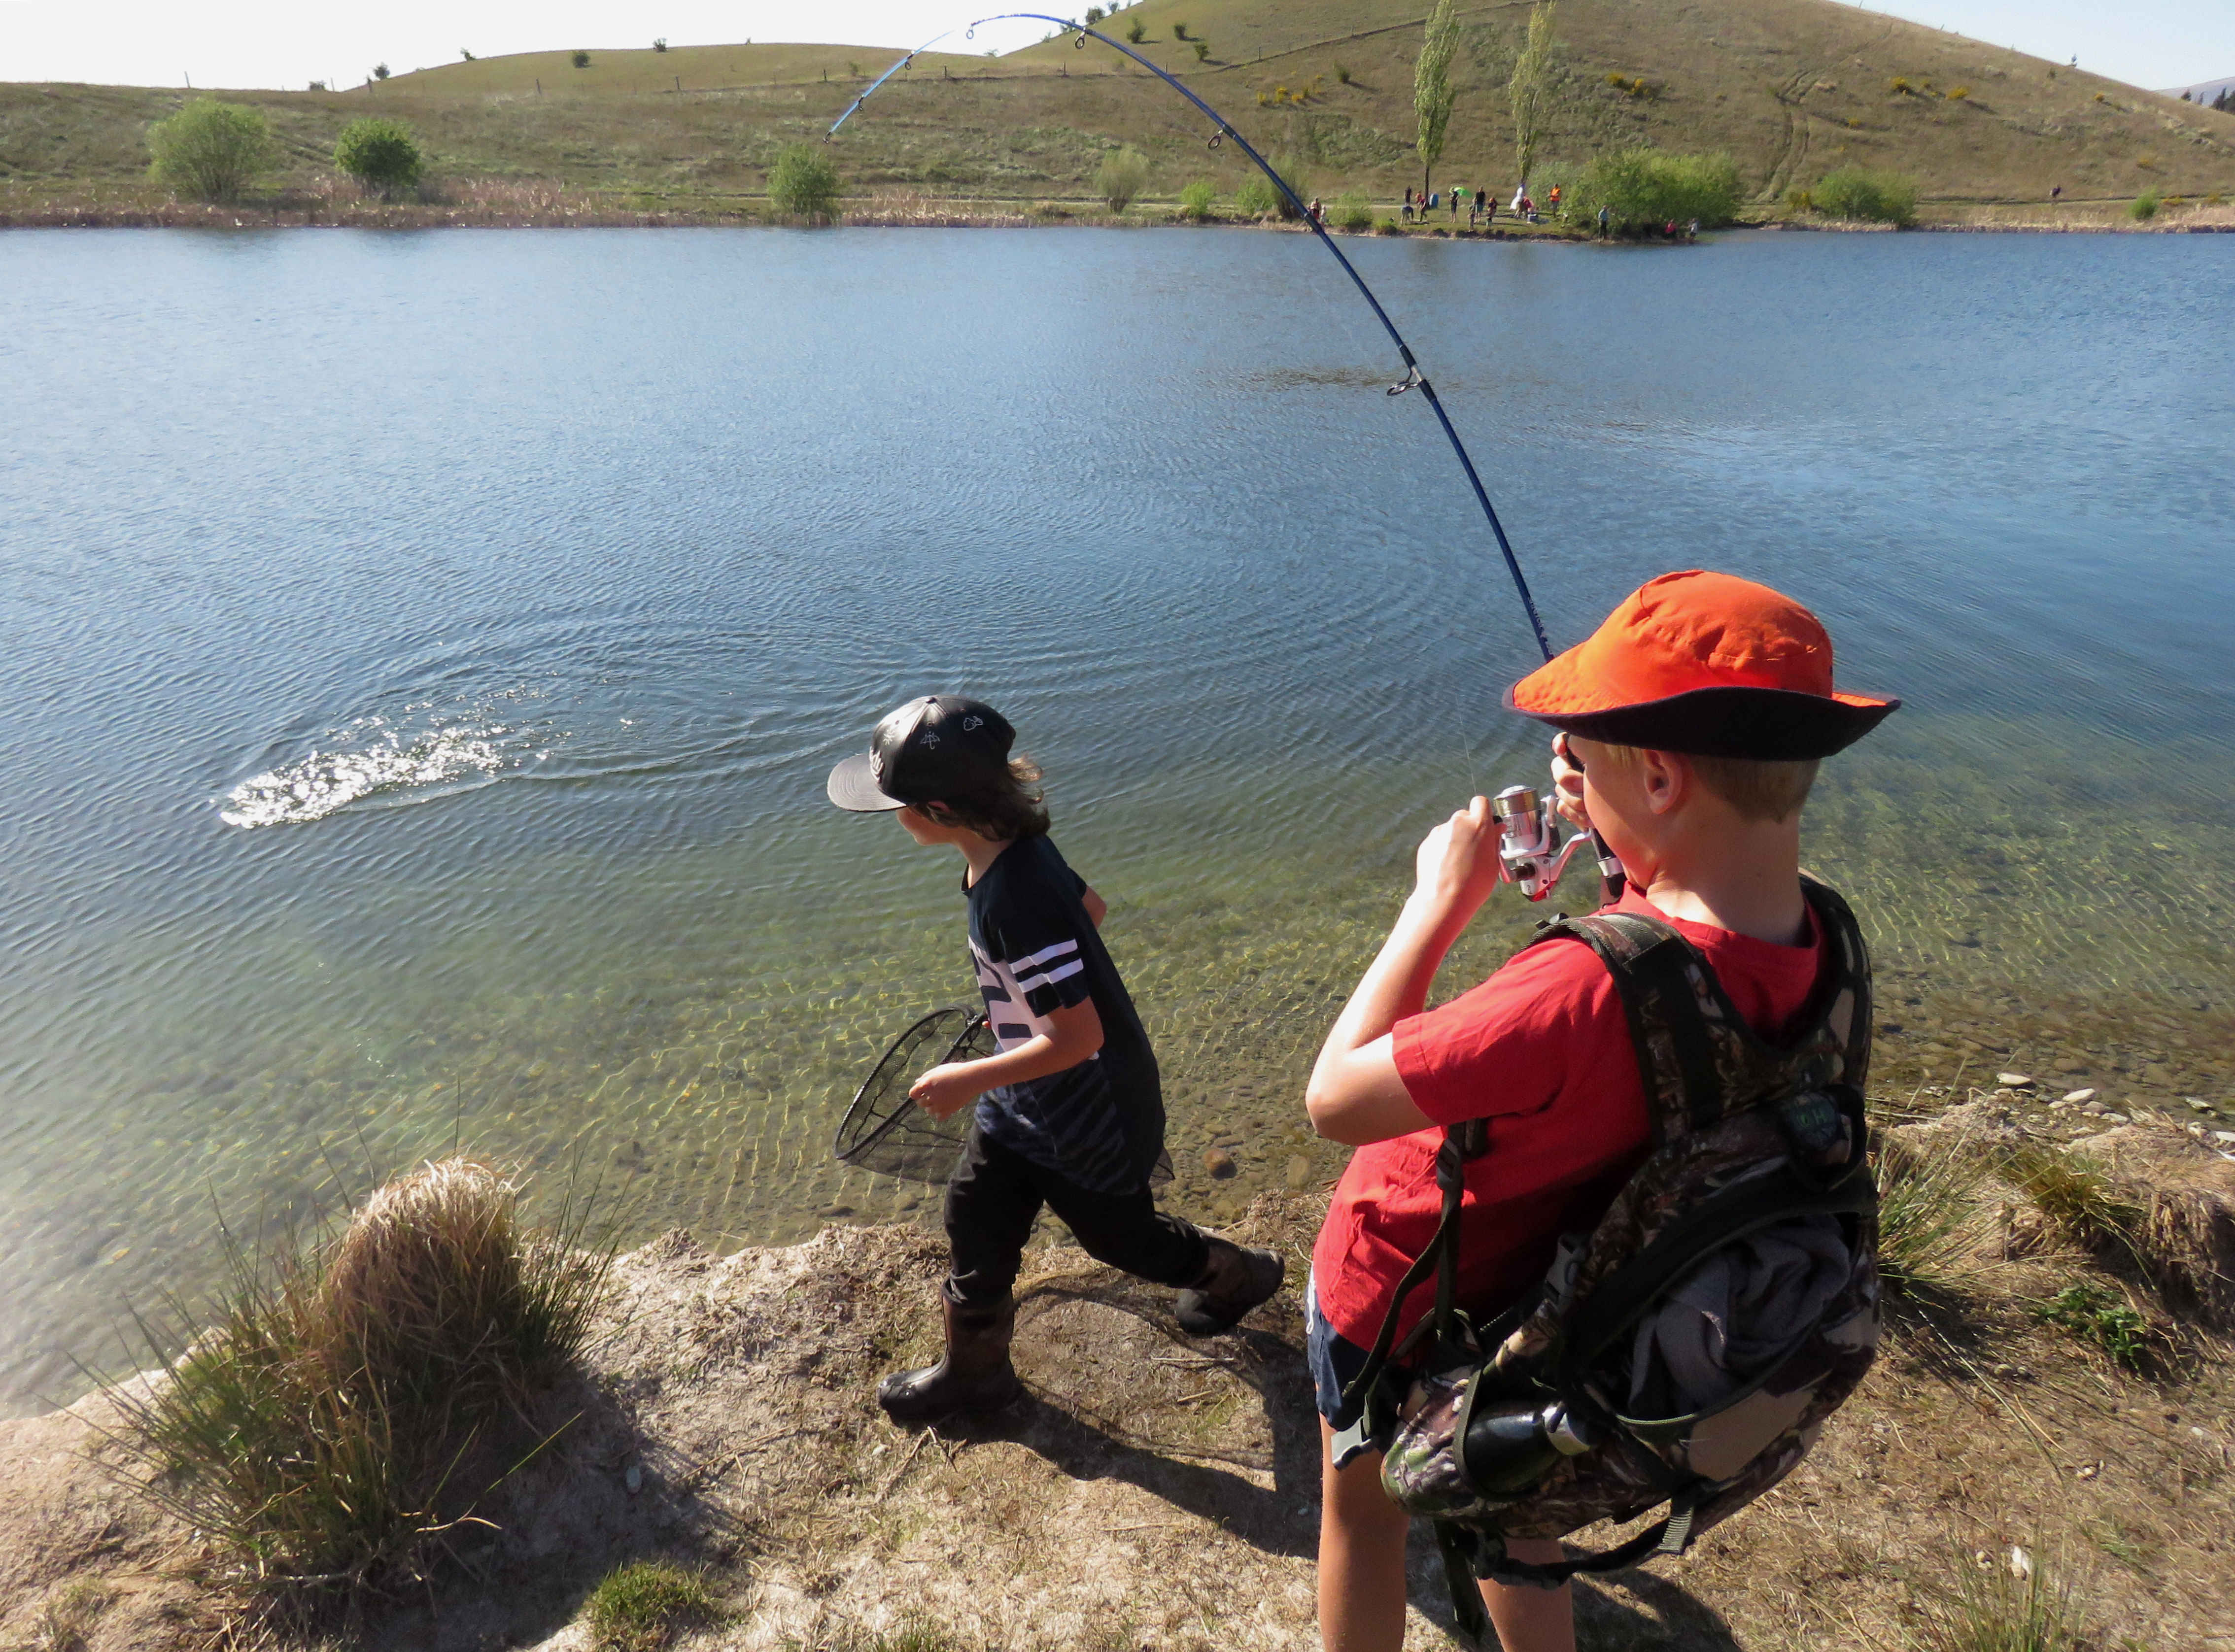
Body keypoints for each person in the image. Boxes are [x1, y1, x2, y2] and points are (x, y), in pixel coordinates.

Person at [1301, 572, 1898, 1652]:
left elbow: (1336, 1097)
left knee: (1364, 1512)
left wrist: (1436, 906)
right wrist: (1634, 852)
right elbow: (1690, 1011)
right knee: (1522, 1508)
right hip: (1577, 1321)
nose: (1562, 774)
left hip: (1408, 1294)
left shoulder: (1581, 989)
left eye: (1581, 753)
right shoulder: (1827, 938)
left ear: (1663, 776)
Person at [829, 696, 1285, 1423]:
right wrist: (1017, 1004)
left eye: (898, 806)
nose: (894, 819)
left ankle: (1239, 1275)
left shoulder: (1012, 899)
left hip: (1090, 1108)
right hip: (1028, 1093)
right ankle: (976, 1376)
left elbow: (1079, 1039)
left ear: (940, 809)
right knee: (975, 1214)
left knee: (1121, 1240)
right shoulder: (1016, 848)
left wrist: (964, 1076)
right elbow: (1092, 910)